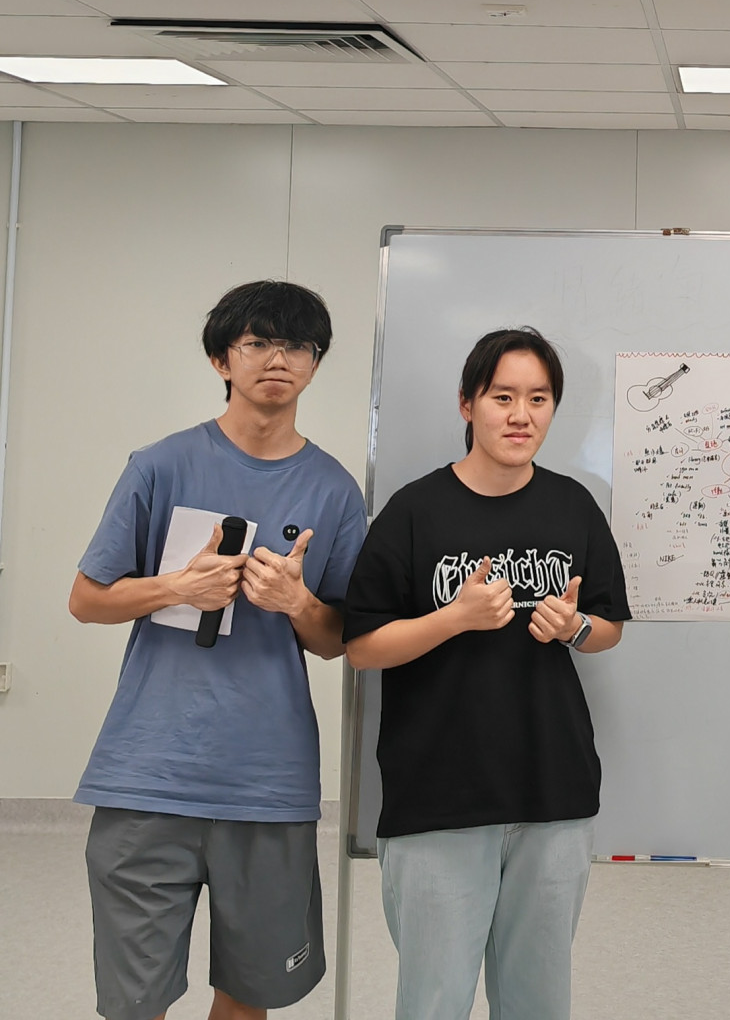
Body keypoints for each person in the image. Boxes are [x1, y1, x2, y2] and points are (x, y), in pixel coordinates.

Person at [67, 281, 367, 1020]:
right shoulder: (160, 465)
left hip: (267, 781)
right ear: (220, 360)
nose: (278, 359)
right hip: (148, 775)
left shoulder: (334, 490)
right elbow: (87, 599)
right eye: (257, 342)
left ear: (315, 364)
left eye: (297, 346)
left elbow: (339, 641)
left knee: (248, 997)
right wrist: (177, 587)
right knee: (133, 1003)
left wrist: (297, 604)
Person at [343, 326, 630, 1020]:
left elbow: (608, 626)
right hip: (438, 798)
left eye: (538, 398)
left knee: (538, 1004)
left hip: (552, 794)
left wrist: (573, 628)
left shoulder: (573, 505)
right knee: (433, 1003)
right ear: (467, 404)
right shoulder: (414, 511)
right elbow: (362, 646)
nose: (520, 415)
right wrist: (454, 618)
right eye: (503, 396)